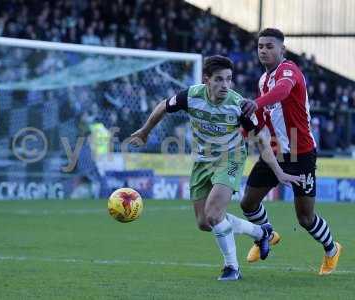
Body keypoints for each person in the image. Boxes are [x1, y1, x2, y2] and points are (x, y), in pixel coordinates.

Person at [130, 55, 301, 281]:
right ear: (206, 80)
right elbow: (163, 106)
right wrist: (145, 131)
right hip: (203, 160)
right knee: (204, 222)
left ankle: (232, 268)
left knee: (213, 214)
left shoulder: (237, 105)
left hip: (231, 158)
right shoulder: (191, 96)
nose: (225, 85)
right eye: (219, 80)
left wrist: (278, 172)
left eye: (229, 80)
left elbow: (260, 140)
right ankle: (261, 233)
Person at [240, 28, 342, 275]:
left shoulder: (290, 71)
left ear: (282, 50)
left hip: (301, 152)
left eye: (269, 46)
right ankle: (266, 235)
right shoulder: (263, 81)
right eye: (260, 46)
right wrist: (244, 133)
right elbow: (263, 115)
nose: (264, 50)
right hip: (274, 152)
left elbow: (283, 92)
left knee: (305, 219)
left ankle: (331, 248)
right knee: (248, 203)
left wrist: (257, 102)